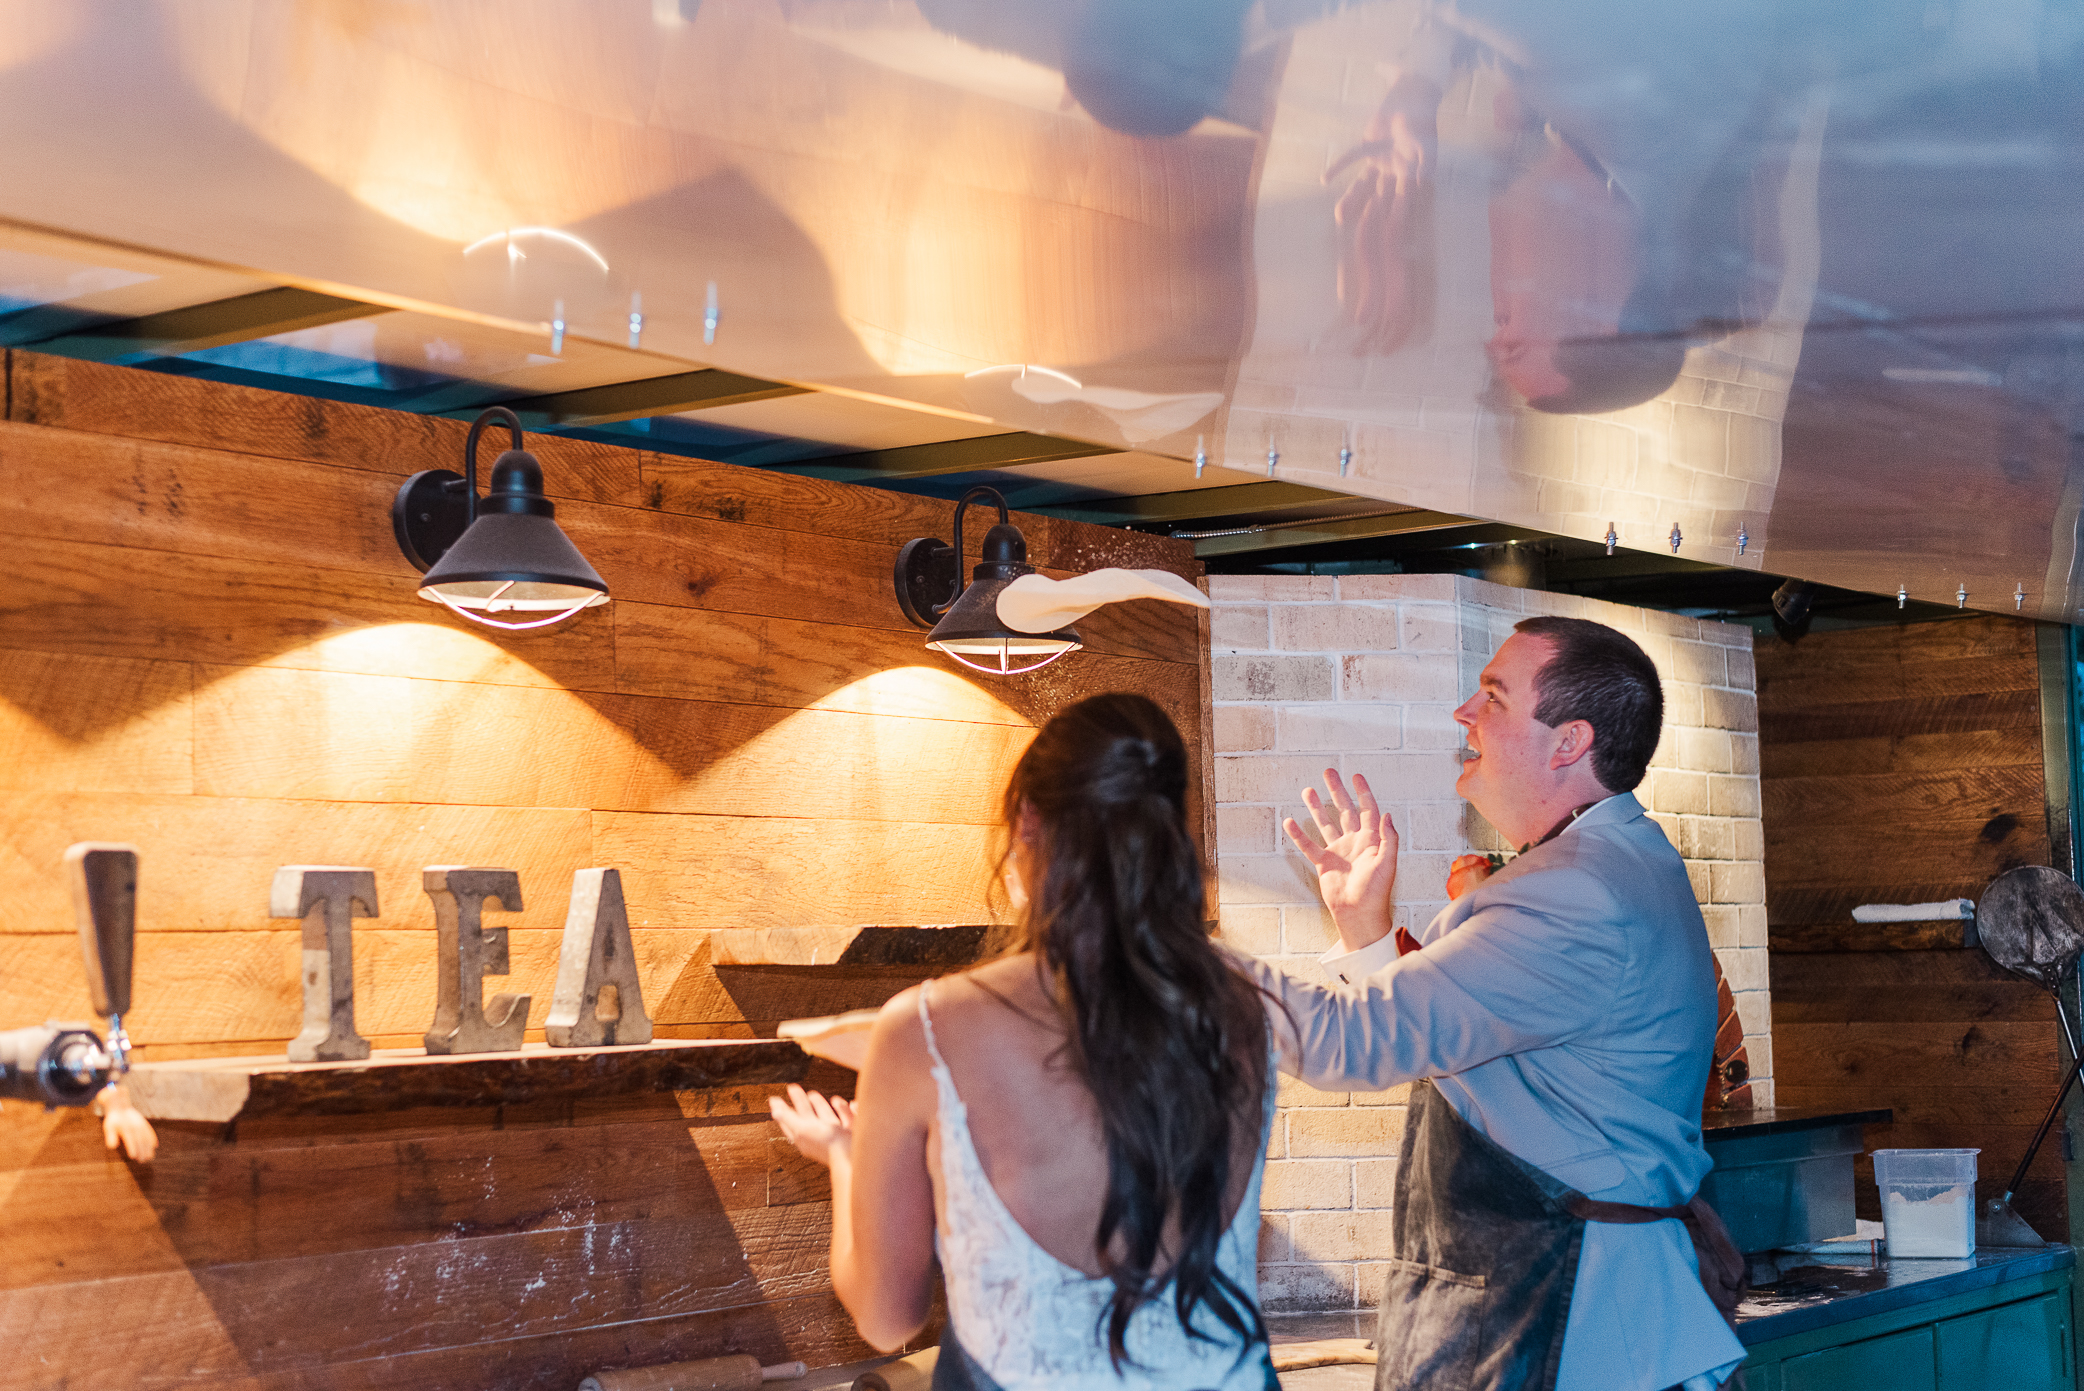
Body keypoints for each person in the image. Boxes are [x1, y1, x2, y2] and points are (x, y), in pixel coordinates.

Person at [1253, 616, 1747, 1390]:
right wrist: (1363, 923)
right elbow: (1455, 1040)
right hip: (1573, 1310)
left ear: (1567, 741)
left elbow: (1355, 1040)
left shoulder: (1574, 892)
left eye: (1492, 696)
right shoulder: (1614, 858)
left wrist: (1157, 952)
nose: (1463, 714)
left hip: (1577, 1329)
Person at [770, 693, 1283, 1391]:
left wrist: (842, 1151)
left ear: (1027, 822)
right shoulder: (1241, 1009)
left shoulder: (924, 1028)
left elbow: (887, 1318)